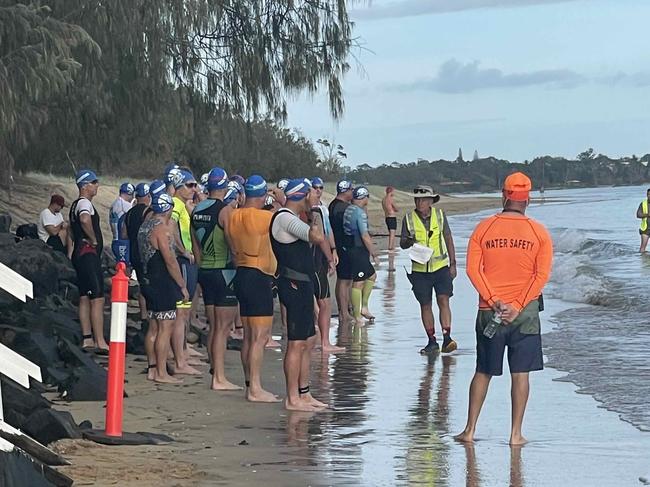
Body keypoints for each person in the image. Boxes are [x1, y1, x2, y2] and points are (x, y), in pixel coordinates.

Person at [455, 172, 553, 445]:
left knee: (483, 370)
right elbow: (541, 275)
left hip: (490, 311)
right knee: (521, 373)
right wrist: (518, 304)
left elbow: (474, 270)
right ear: (528, 198)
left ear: (504, 194)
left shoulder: (484, 228)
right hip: (526, 314)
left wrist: (495, 299)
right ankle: (515, 434)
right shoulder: (538, 232)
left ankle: (470, 430)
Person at [271, 178, 330, 411]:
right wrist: (314, 210)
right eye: (311, 194)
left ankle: (304, 393)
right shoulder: (284, 217)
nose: (315, 197)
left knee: (308, 338)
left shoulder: (292, 218)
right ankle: (292, 397)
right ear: (300, 196)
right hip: (292, 283)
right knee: (296, 343)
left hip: (302, 283)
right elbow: (317, 237)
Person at [227, 175, 279, 402]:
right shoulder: (265, 217)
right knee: (260, 336)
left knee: (248, 335)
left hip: (242, 272)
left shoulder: (233, 216)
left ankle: (250, 382)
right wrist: (279, 197)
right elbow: (286, 218)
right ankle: (255, 389)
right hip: (259, 275)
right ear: (262, 195)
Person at [191, 167, 241, 391]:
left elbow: (195, 245)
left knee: (214, 326)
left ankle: (214, 369)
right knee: (223, 327)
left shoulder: (196, 209)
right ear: (224, 186)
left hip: (205, 271)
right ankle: (219, 378)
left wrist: (203, 266)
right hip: (223, 271)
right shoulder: (225, 211)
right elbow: (232, 243)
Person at [400, 184, 458, 354]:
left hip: (440, 267)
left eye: (423, 200)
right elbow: (403, 244)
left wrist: (453, 264)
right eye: (417, 200)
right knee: (425, 305)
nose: (419, 203)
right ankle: (432, 341)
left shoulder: (440, 216)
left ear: (431, 201)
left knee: (443, 300)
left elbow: (448, 237)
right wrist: (408, 240)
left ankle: (447, 338)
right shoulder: (408, 218)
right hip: (419, 270)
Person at [138, 192, 189, 383]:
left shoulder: (145, 227)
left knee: (153, 326)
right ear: (169, 209)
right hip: (162, 281)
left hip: (148, 279)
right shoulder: (162, 230)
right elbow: (170, 260)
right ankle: (161, 372)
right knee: (165, 327)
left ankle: (152, 369)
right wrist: (182, 285)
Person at [68, 170, 108, 353]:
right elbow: (84, 219)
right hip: (88, 254)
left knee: (84, 297)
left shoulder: (74, 205)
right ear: (84, 186)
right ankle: (100, 340)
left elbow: (70, 230)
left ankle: (87, 338)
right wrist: (93, 239)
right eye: (94, 182)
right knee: (97, 298)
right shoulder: (84, 203)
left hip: (79, 254)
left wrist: (71, 253)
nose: (97, 185)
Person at [170, 168, 201, 375]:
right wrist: (183, 250)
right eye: (190, 185)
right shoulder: (175, 204)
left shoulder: (183, 205)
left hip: (186, 259)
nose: (194, 189)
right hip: (182, 260)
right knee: (181, 312)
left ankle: (183, 353)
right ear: (179, 187)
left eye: (195, 185)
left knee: (184, 310)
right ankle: (180, 360)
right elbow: (171, 228)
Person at [311, 177, 344, 353]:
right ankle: (325, 342)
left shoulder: (323, 207)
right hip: (314, 256)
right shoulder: (312, 210)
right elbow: (320, 236)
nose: (318, 190)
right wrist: (329, 257)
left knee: (322, 297)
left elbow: (328, 231)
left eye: (320, 187)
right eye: (314, 187)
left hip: (322, 254)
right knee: (324, 300)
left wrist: (333, 250)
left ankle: (324, 339)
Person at [343, 186, 379, 324]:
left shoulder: (349, 209)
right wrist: (373, 253)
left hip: (351, 248)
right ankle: (357, 315)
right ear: (364, 198)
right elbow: (364, 235)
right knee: (358, 282)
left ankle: (364, 307)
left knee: (372, 275)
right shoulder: (359, 213)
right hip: (358, 250)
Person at [121, 182, 153, 327]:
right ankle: (150, 314)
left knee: (142, 284)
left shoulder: (129, 213)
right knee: (150, 283)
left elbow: (124, 235)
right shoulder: (148, 212)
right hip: (144, 253)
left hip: (133, 252)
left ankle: (143, 314)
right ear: (148, 196)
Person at [328, 179, 354, 324]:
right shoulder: (343, 208)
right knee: (344, 280)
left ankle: (345, 310)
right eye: (351, 190)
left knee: (345, 279)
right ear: (346, 191)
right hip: (343, 247)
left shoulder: (333, 205)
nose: (352, 193)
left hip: (339, 246)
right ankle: (344, 312)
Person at [382, 186, 399, 254]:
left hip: (387, 217)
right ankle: (391, 246)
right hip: (392, 216)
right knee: (392, 233)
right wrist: (396, 209)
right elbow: (395, 207)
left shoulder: (383, 199)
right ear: (391, 191)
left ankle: (392, 245)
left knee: (390, 232)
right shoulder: (390, 199)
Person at [637, 188, 650, 252]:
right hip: (645, 229)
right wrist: (647, 215)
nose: (649, 196)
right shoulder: (643, 203)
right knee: (642, 248)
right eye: (648, 194)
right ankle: (643, 261)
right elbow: (638, 215)